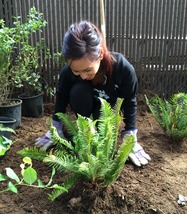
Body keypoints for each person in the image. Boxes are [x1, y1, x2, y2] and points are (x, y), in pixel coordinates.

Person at [35, 20, 151, 167]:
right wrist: (55, 128)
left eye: (87, 70)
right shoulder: (67, 73)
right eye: (76, 71)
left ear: (100, 54)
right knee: (78, 91)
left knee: (103, 130)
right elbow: (62, 98)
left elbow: (130, 102)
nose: (82, 76)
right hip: (84, 108)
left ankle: (101, 133)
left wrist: (130, 137)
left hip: (107, 113)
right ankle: (84, 130)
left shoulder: (123, 69)